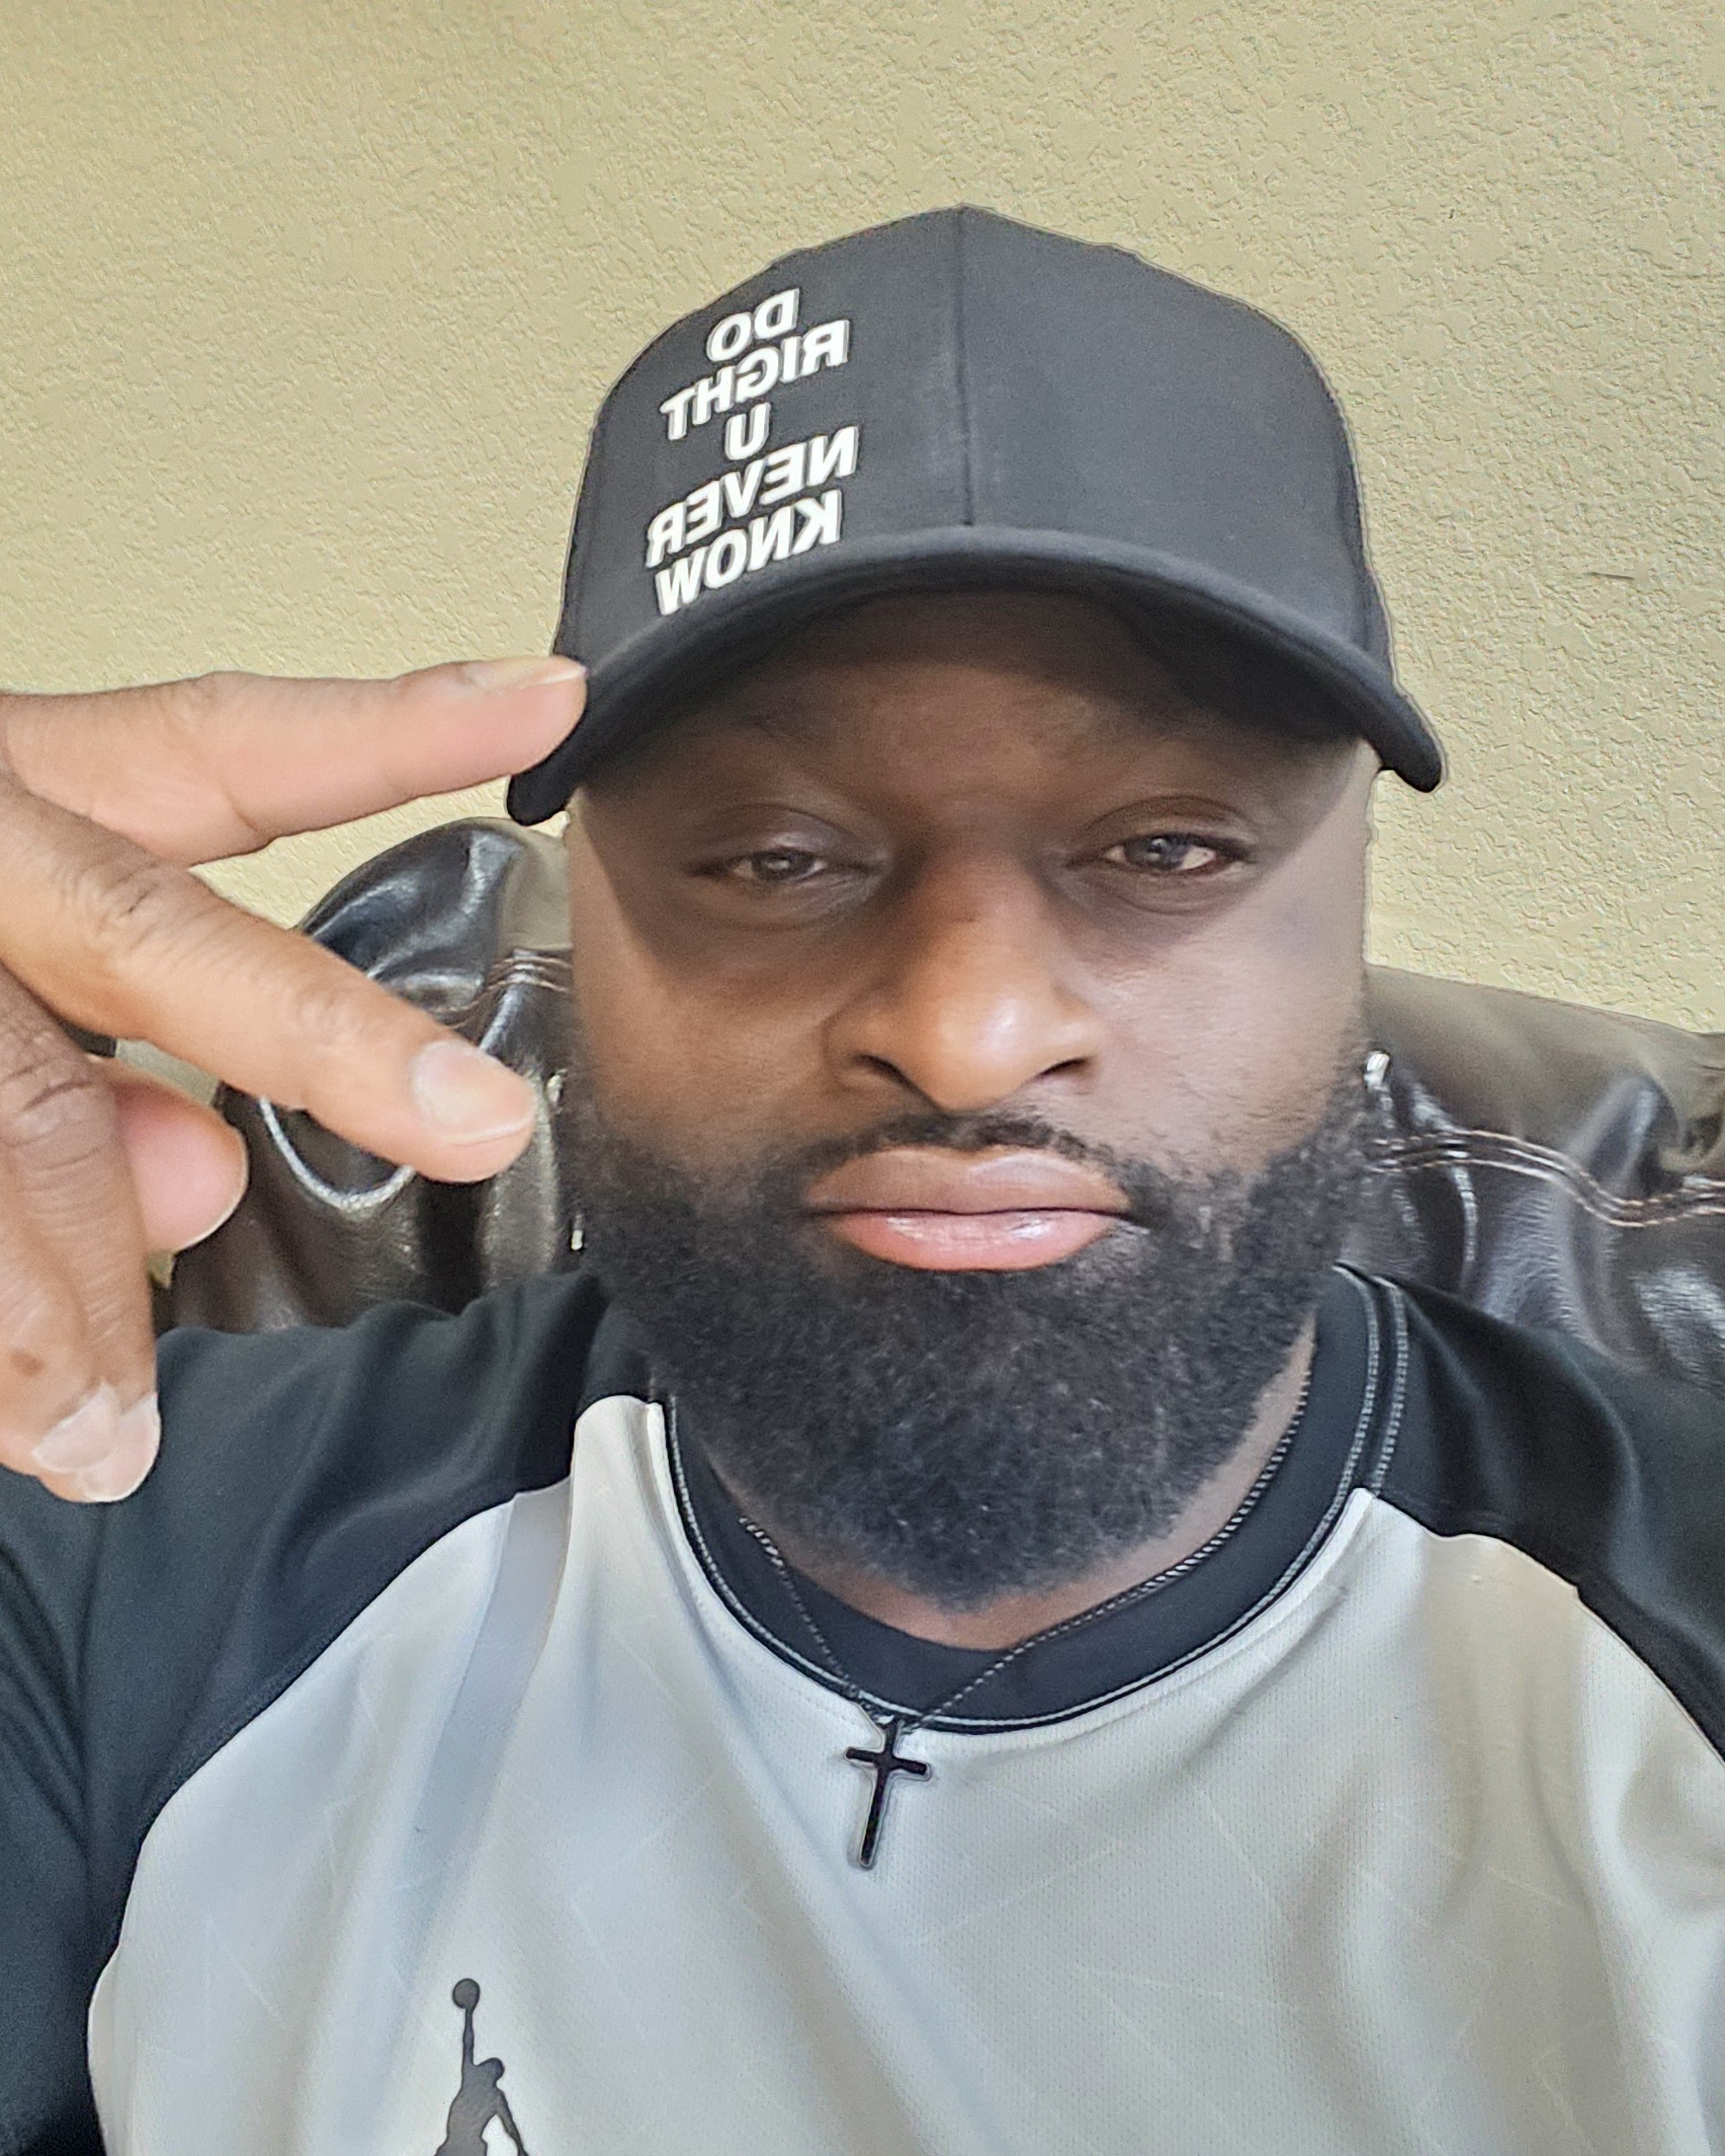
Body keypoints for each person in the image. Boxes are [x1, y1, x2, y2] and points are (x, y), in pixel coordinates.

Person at [2, 207, 1722, 2156]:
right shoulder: (122, 1565)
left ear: (1350, 898)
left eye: (1167, 846)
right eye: (776, 855)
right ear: (593, 921)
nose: (970, 1034)